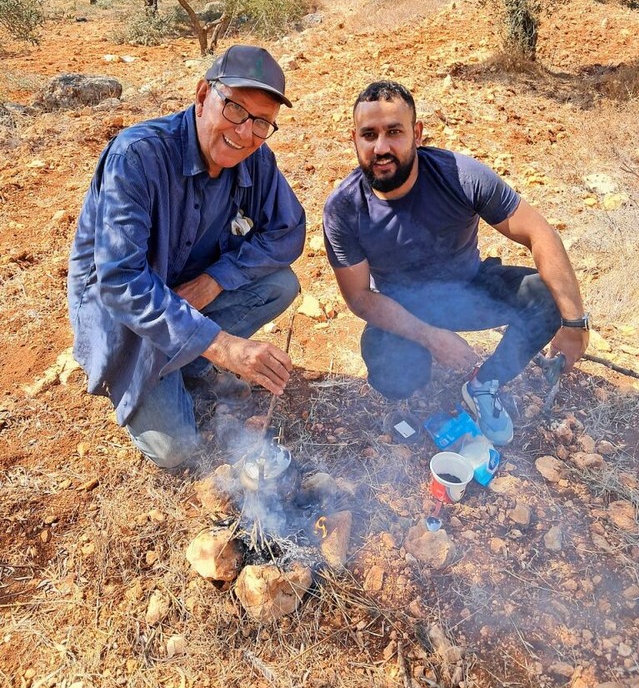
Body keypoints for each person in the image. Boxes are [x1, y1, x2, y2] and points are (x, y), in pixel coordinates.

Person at [68, 45, 305, 469]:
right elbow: (120, 281)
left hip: (189, 296)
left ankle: (189, 362)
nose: (245, 132)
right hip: (126, 318)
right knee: (176, 451)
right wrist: (222, 346)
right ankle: (159, 368)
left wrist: (214, 280)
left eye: (262, 122)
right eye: (234, 108)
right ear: (201, 97)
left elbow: (288, 231)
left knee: (280, 284)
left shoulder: (255, 159)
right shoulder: (137, 157)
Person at [322, 80, 589, 445]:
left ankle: (484, 385)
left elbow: (540, 234)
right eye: (369, 135)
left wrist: (575, 323)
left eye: (394, 132)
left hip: (469, 289)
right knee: (394, 378)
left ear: (416, 133)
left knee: (544, 298)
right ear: (354, 138)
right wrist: (431, 338)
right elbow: (360, 298)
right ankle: (418, 363)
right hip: (402, 306)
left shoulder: (459, 176)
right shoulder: (344, 208)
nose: (381, 147)